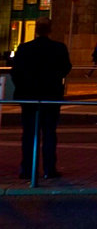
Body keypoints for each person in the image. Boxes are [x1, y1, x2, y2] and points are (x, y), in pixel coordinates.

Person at [11, 17, 72, 180]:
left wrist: (24, 87)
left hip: (29, 97)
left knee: (29, 134)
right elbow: (66, 68)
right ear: (50, 30)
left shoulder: (24, 49)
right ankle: (49, 169)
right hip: (50, 97)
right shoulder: (58, 48)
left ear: (36, 30)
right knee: (49, 133)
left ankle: (27, 169)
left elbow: (15, 72)